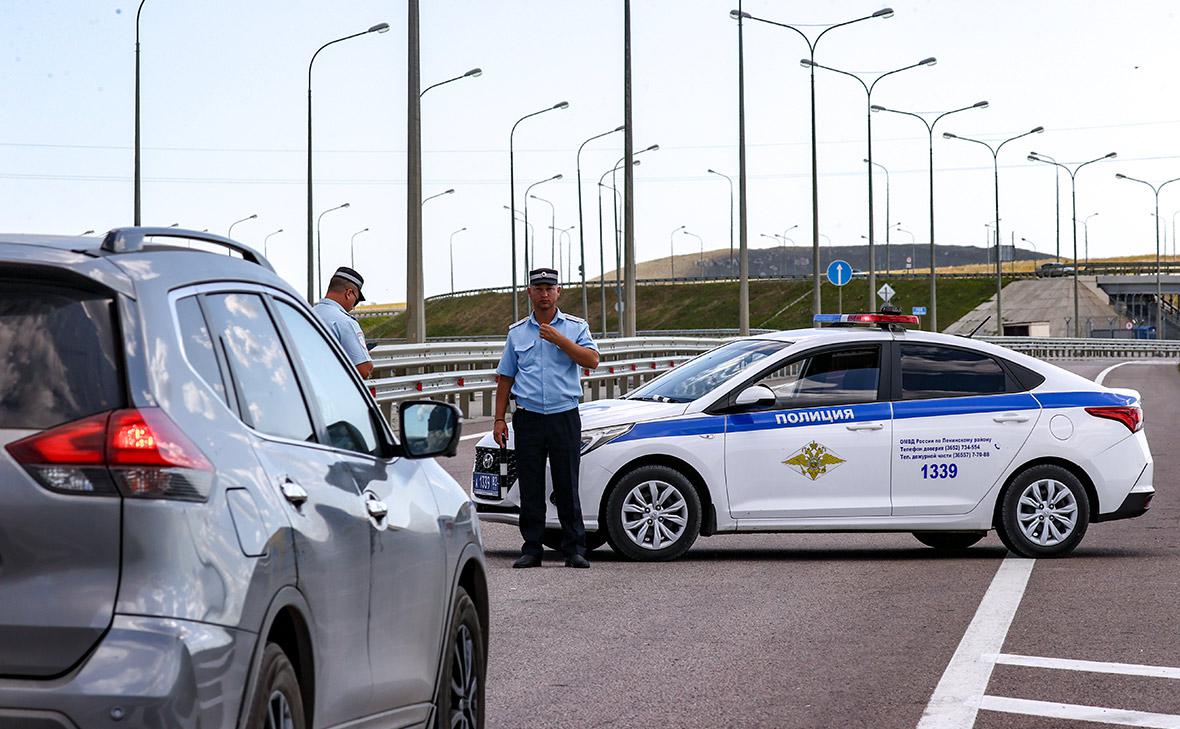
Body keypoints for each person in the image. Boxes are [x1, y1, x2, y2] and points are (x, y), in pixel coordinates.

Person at [494, 268, 600, 569]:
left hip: (563, 415)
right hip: (528, 418)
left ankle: (574, 549)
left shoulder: (575, 327)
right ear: (529, 291)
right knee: (531, 485)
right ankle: (532, 548)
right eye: (538, 288)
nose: (544, 294)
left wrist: (559, 340)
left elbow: (592, 360)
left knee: (567, 482)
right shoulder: (517, 333)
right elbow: (505, 378)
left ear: (558, 292)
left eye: (549, 288)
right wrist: (499, 420)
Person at [313, 266, 373, 379]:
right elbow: (364, 370)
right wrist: (363, 355)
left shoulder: (307, 314)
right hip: (330, 390)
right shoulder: (345, 322)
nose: (354, 307)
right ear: (349, 293)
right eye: (356, 300)